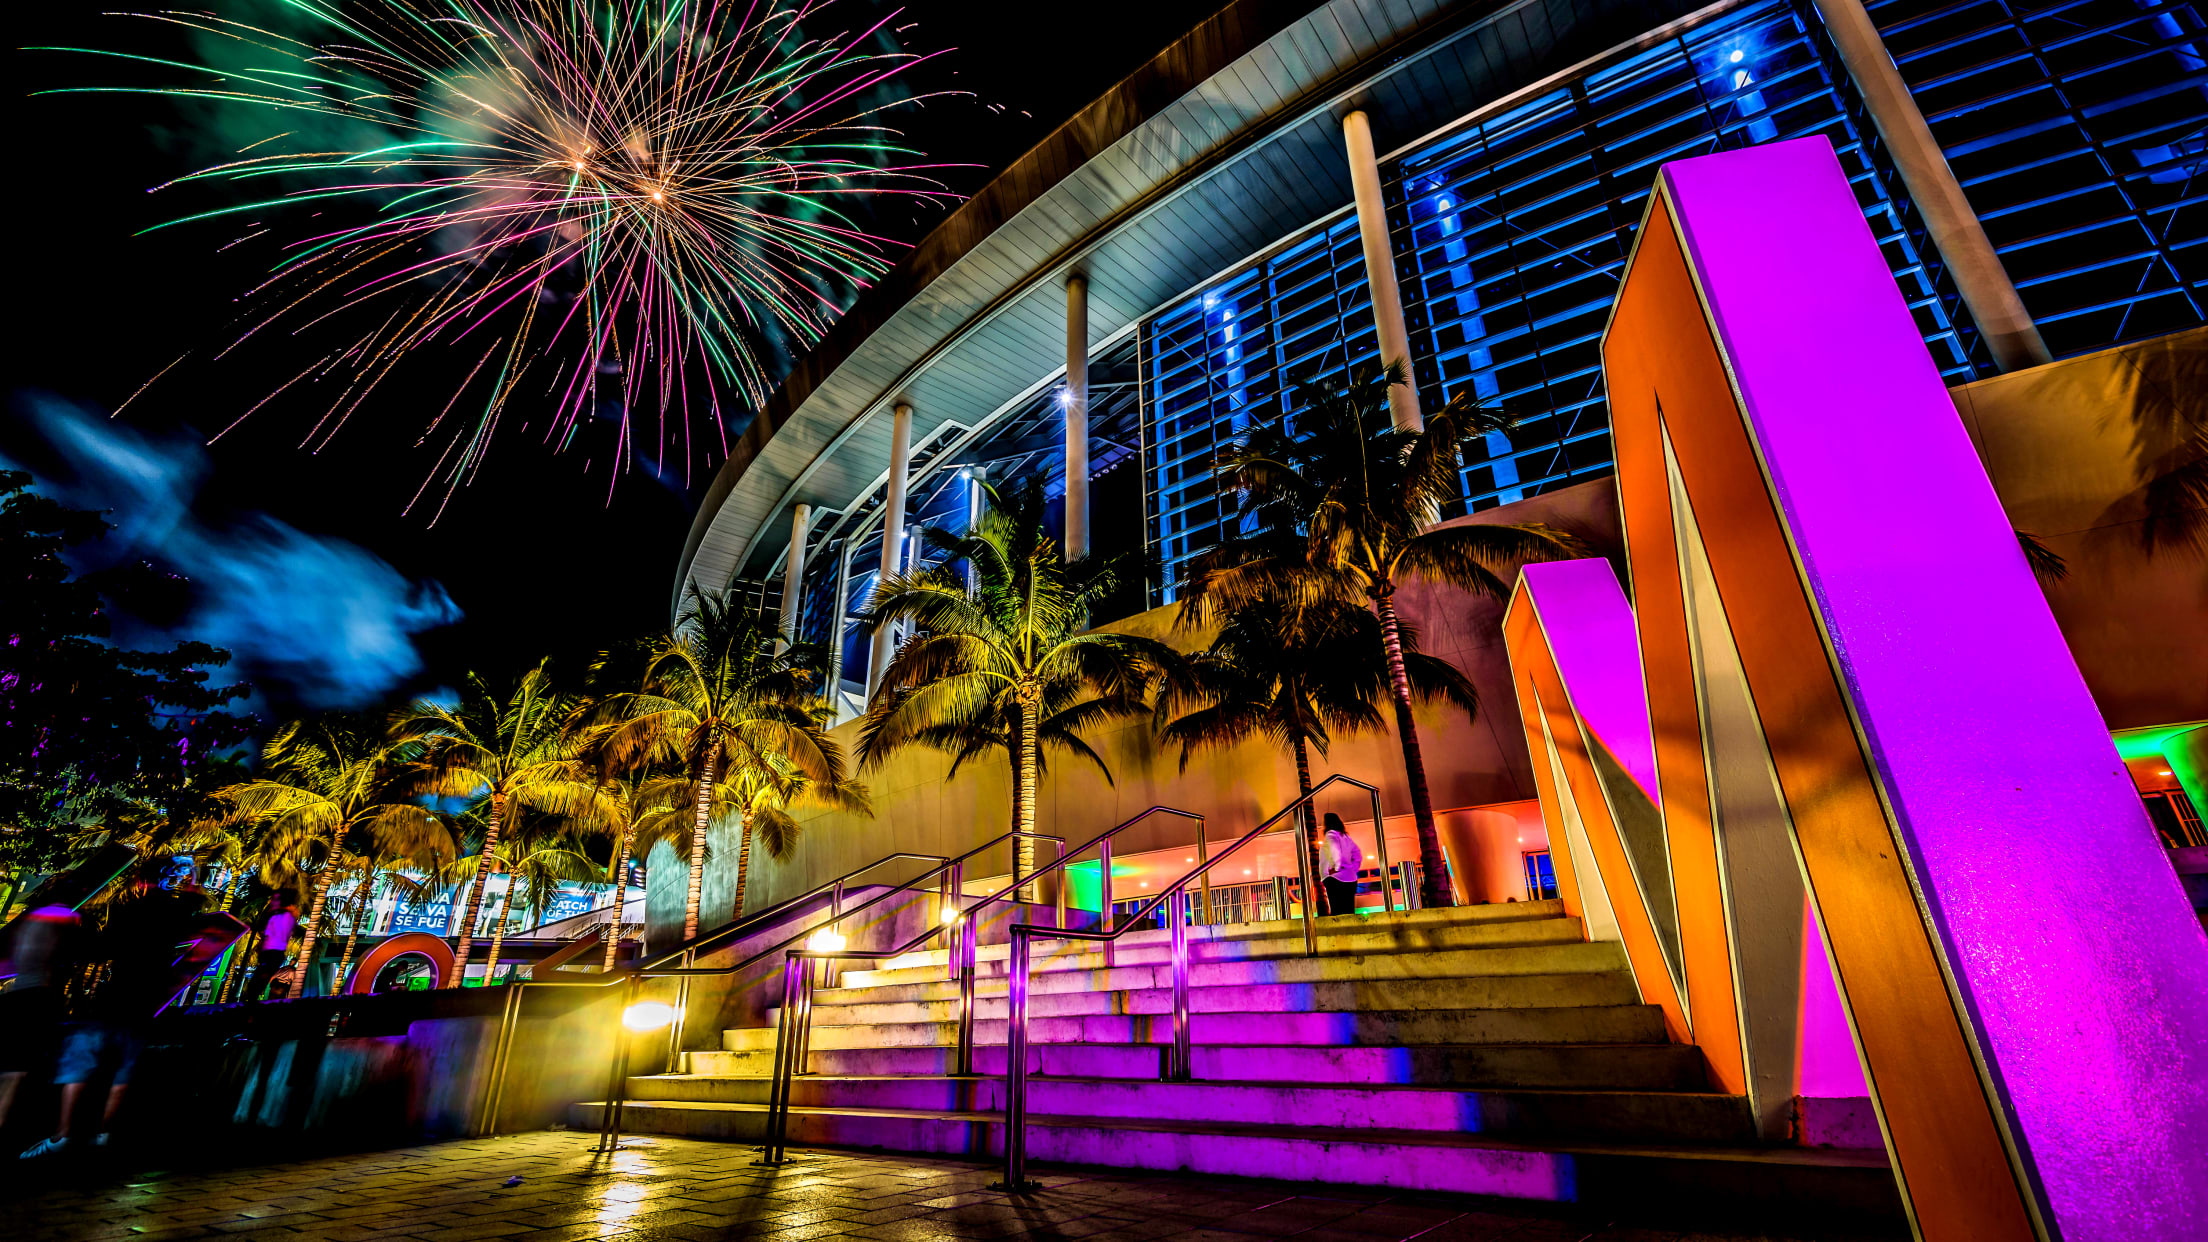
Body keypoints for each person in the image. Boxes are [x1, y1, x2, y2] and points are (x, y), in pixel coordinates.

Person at [1, 906, 82, 1133]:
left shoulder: (33, 924)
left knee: (11, 1071)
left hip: (24, 997)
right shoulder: (60, 922)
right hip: (35, 997)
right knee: (14, 1073)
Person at [246, 890, 300, 1001]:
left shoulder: (283, 916)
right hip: (271, 952)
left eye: (274, 899)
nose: (271, 901)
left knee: (255, 986)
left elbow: (277, 935)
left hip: (273, 952)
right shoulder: (281, 915)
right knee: (255, 986)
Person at [1320, 814, 1363, 917]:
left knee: (1337, 912)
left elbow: (1335, 849)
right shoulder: (1346, 837)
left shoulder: (1330, 834)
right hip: (1350, 879)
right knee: (1349, 911)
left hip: (1335, 878)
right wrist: (1353, 869)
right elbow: (1358, 854)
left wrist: (1336, 867)